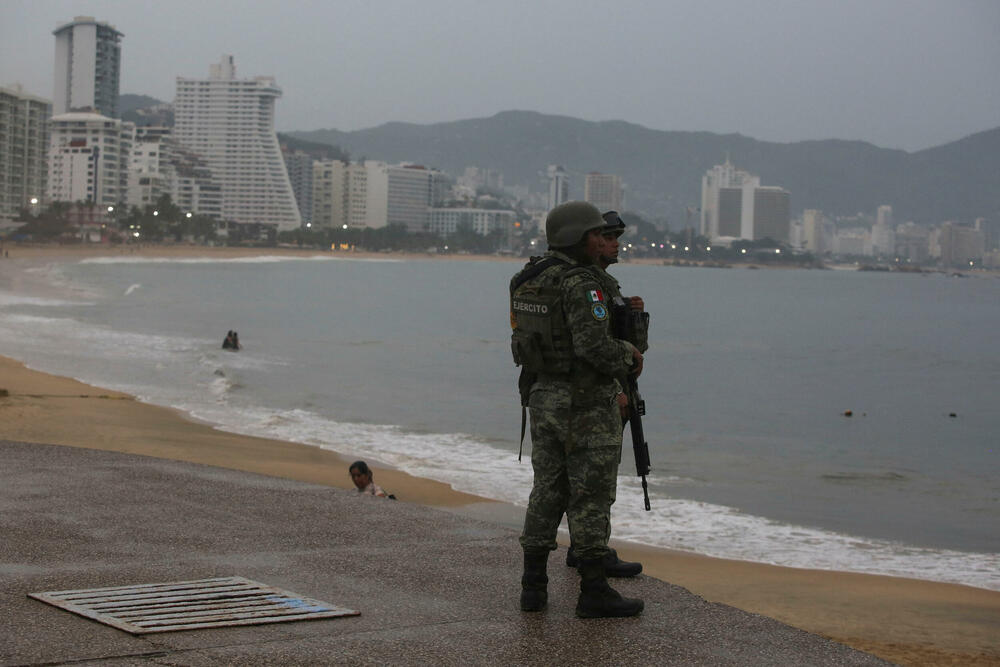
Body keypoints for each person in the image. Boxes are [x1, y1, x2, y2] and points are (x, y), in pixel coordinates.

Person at [510, 200, 644, 618]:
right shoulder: (582, 284)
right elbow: (594, 348)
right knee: (590, 495)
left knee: (546, 490)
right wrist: (629, 355)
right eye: (595, 234)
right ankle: (593, 590)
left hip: (542, 398)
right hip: (584, 404)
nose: (601, 239)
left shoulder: (527, 279)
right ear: (577, 237)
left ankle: (533, 588)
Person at [562, 211, 648, 578]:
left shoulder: (604, 286)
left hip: (590, 392)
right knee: (595, 481)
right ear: (592, 242)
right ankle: (590, 554)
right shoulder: (588, 285)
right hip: (596, 395)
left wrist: (635, 317)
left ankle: (587, 548)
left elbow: (631, 346)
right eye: (608, 237)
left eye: (616, 237)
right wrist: (617, 390)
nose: (615, 244)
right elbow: (596, 349)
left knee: (585, 479)